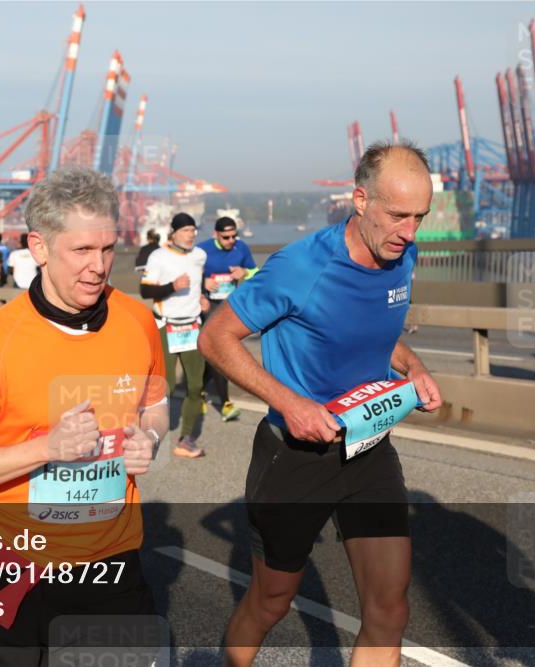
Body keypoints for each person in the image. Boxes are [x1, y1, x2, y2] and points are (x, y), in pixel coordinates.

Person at [198, 142, 443, 667]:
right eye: (398, 215)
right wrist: (292, 405)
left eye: (420, 217)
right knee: (272, 602)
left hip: (369, 450)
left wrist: (413, 367)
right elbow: (216, 338)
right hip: (296, 458)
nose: (410, 232)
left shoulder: (403, 253)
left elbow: (373, 327)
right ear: (360, 199)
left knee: (390, 609)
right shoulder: (301, 266)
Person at [0, 168, 169, 666]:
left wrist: (148, 436)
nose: (99, 266)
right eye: (81, 251)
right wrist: (48, 448)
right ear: (39, 247)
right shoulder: (1, 340)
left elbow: (155, 405)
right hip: (20, 561)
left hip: (112, 557)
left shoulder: (138, 321)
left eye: (107, 250)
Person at [140, 213, 208, 458]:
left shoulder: (200, 256)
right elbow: (145, 289)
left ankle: (186, 439)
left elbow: (200, 284)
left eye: (193, 230)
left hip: (192, 327)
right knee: (163, 386)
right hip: (166, 326)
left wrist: (203, 297)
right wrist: (172, 286)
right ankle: (148, 432)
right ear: (174, 232)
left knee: (196, 385)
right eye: (186, 230)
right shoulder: (158, 256)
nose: (191, 235)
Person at [197, 216, 257, 422]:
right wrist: (202, 282)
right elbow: (187, 271)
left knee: (211, 352)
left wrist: (245, 272)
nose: (231, 240)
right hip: (209, 306)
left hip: (230, 306)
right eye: (226, 237)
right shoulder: (202, 250)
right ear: (215, 234)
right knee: (218, 349)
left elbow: (257, 272)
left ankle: (199, 392)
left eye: (234, 236)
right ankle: (225, 403)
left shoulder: (241, 248)